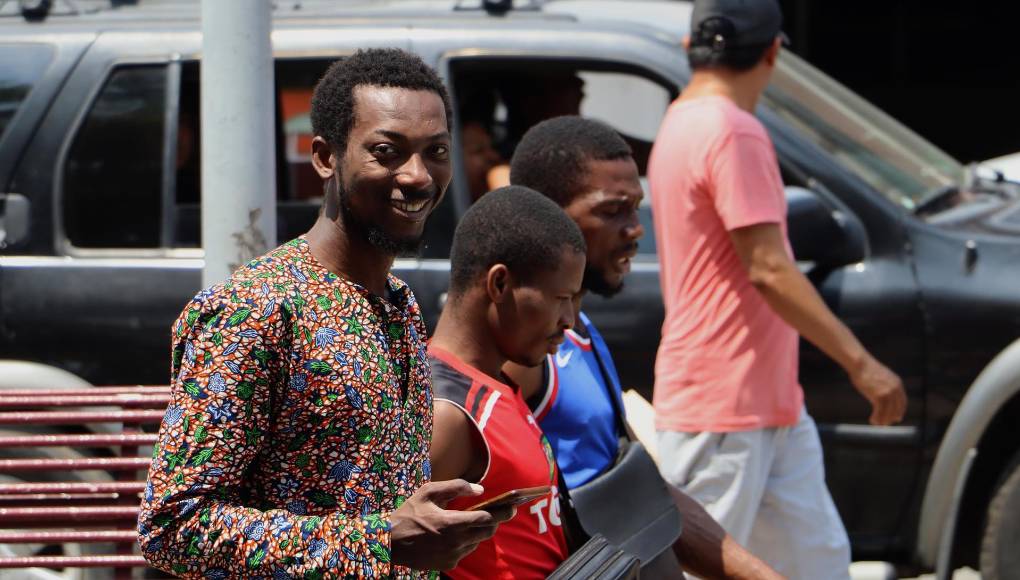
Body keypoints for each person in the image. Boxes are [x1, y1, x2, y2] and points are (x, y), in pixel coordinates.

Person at [138, 48, 511, 578]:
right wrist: (377, 543)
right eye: (387, 152)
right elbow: (173, 526)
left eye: (436, 151)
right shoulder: (255, 309)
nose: (418, 176)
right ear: (325, 157)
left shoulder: (399, 303)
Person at [647, 1, 908, 578]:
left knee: (819, 565)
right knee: (702, 569)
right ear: (773, 52)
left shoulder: (682, 120)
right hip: (723, 404)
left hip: (765, 402)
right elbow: (768, 267)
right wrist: (861, 364)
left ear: (691, 48)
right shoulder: (734, 130)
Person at [504, 115, 781, 580]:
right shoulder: (524, 354)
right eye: (613, 211)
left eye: (635, 208)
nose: (635, 229)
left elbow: (643, 492)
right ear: (547, 214)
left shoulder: (578, 329)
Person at [428, 186, 586, 579]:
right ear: (499, 284)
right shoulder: (448, 413)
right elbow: (386, 553)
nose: (569, 320)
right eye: (560, 298)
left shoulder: (497, 382)